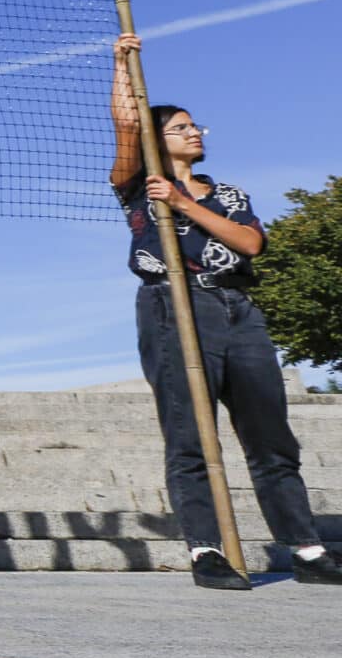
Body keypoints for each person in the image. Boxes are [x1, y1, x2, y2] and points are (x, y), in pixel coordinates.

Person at [109, 33, 337, 591]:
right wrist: (121, 65)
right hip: (173, 304)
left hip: (238, 306)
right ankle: (206, 550)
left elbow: (250, 243)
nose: (195, 132)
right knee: (190, 434)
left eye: (197, 126)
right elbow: (126, 125)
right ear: (160, 140)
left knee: (270, 434)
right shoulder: (139, 184)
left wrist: (186, 204)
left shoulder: (226, 192)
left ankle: (306, 549)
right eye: (182, 126)